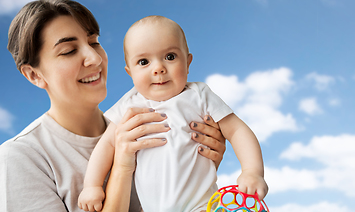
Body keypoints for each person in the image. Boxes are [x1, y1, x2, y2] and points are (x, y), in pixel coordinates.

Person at [0, 0, 227, 212]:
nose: (95, 58)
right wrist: (121, 168)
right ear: (34, 75)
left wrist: (202, 164)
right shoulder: (21, 158)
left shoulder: (149, 122)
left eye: (94, 42)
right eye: (69, 51)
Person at [78, 16, 268, 212]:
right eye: (144, 61)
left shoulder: (199, 95)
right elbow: (107, 144)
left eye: (170, 57)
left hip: (202, 205)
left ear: (188, 62)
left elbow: (237, 131)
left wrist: (252, 171)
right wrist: (92, 185)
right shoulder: (130, 104)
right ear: (129, 72)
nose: (158, 68)